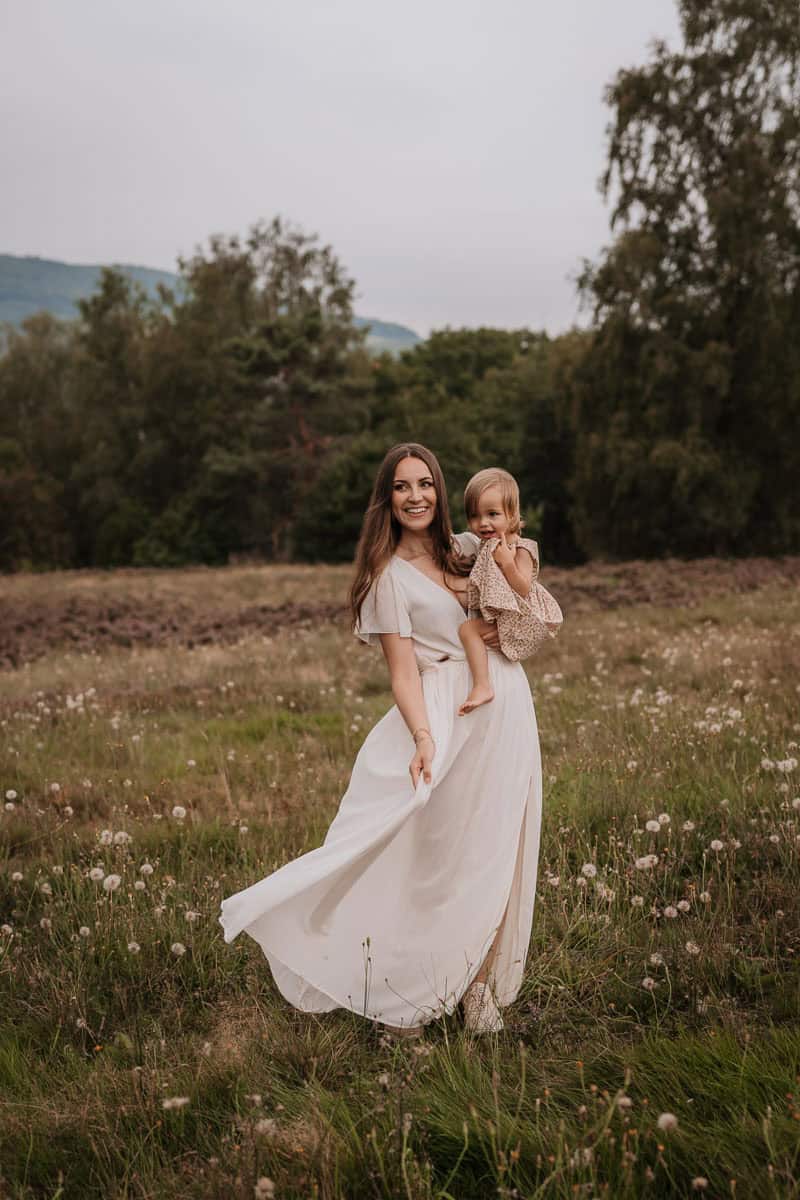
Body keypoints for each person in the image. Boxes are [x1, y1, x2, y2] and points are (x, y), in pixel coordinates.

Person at [219, 443, 548, 1036]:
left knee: (497, 849)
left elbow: (526, 589)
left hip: (508, 709)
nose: (416, 495)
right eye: (402, 487)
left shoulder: (469, 548)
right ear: (387, 499)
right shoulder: (385, 578)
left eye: (425, 484)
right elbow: (402, 673)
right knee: (436, 856)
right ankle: (405, 992)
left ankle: (476, 990)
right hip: (449, 713)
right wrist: (423, 737)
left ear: (440, 491)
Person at [457, 467, 563, 715]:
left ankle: (482, 685)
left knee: (468, 630)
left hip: (519, 617)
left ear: (512, 514)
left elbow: (524, 587)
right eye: (475, 516)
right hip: (503, 616)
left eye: (492, 514)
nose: (483, 523)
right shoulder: (486, 546)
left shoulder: (520, 548)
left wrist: (507, 563)